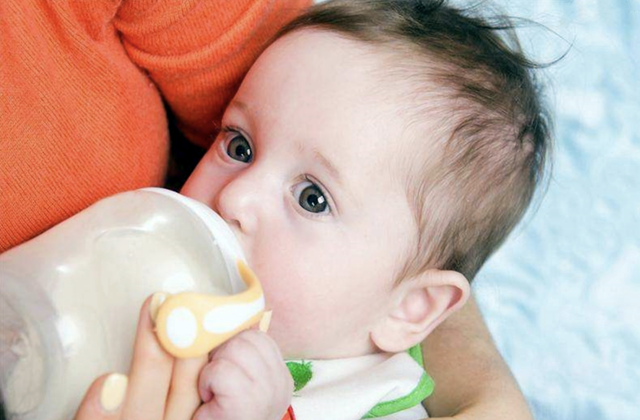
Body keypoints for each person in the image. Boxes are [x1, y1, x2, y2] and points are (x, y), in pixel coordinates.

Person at [0, 0, 535, 420]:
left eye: (312, 198)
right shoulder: (154, 270)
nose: (235, 197)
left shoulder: (372, 402)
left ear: (410, 309)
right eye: (239, 146)